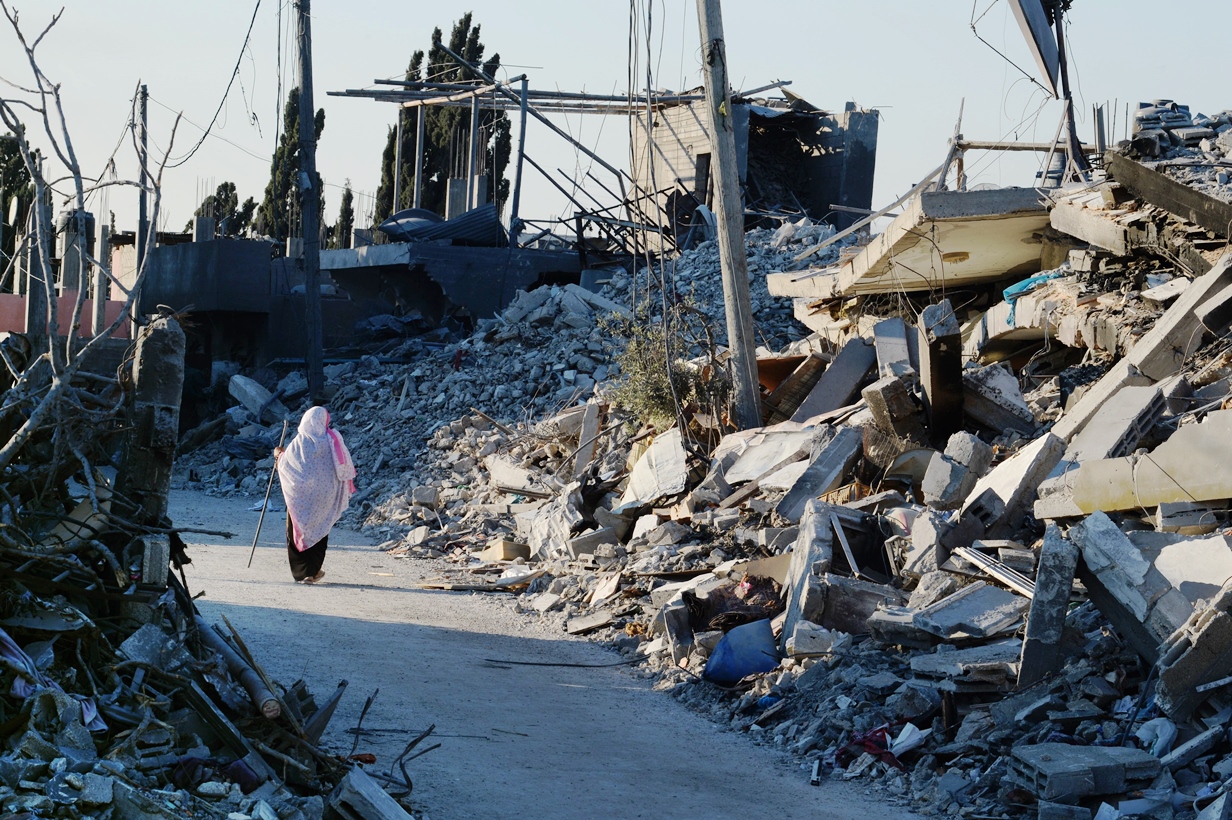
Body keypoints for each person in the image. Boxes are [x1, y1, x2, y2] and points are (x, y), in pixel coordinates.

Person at [274, 406, 356, 583]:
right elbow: (344, 468)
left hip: (301, 499)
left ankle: (302, 572)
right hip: (325, 497)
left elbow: (287, 466)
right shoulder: (333, 439)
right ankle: (314, 571)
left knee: (298, 530)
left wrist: (278, 455)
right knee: (320, 529)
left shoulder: (299, 443)